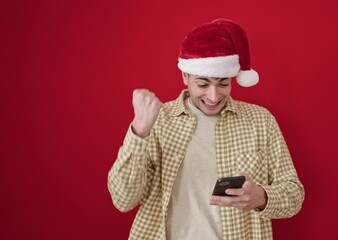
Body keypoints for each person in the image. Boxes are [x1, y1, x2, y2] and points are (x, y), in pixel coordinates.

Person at [108, 18, 304, 240]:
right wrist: (139, 132)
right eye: (202, 84)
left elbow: (294, 195)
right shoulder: (158, 120)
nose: (213, 96)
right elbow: (123, 199)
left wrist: (260, 197)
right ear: (185, 76)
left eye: (223, 84)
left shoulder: (260, 121)